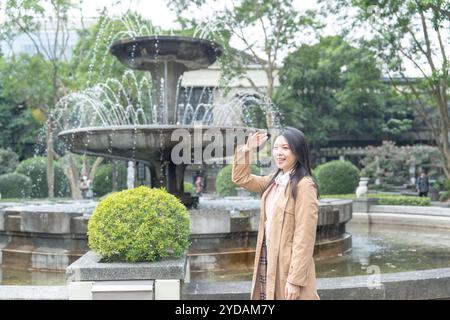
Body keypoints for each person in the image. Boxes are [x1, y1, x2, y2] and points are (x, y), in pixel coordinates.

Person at [232, 127, 320, 300]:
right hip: (268, 258)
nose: (279, 153)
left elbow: (305, 236)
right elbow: (241, 178)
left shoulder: (305, 185)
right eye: (276, 147)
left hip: (288, 267)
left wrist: (295, 280)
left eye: (285, 148)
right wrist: (247, 149)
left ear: (298, 152)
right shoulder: (274, 180)